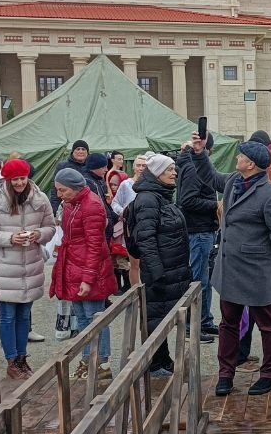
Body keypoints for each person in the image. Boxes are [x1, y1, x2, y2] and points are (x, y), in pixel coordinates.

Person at [190, 135, 271, 396]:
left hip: (257, 270)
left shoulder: (270, 195)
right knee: (228, 324)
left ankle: (269, 374)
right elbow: (211, 178)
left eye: (241, 156)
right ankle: (226, 374)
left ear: (251, 165)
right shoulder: (236, 181)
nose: (237, 158)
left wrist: (264, 254)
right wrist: (200, 154)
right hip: (230, 268)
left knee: (267, 325)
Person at [0, 159, 55, 377]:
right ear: (8, 180)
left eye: (23, 178)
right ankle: (11, 360)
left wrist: (39, 235)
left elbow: (50, 226)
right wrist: (10, 238)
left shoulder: (40, 199)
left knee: (24, 316)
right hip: (4, 268)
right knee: (8, 317)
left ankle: (22, 357)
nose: (20, 182)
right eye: (15, 179)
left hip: (30, 266)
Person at [127, 153, 192, 376]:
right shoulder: (148, 199)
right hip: (161, 273)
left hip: (171, 269)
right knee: (156, 317)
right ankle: (155, 364)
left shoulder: (161, 196)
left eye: (174, 169)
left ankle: (163, 359)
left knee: (162, 317)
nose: (174, 173)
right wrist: (157, 272)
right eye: (169, 170)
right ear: (156, 174)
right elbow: (146, 238)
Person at [51, 168, 119, 377]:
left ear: (74, 187)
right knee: (81, 318)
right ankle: (88, 359)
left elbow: (95, 246)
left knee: (95, 317)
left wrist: (88, 279)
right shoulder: (72, 204)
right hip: (74, 266)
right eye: (58, 190)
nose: (59, 195)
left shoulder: (91, 205)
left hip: (90, 269)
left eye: (63, 190)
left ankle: (101, 362)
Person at [175, 138, 220, 339]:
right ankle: (192, 326)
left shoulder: (189, 165)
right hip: (198, 230)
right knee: (198, 279)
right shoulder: (193, 169)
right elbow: (188, 201)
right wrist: (215, 205)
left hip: (202, 228)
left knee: (204, 278)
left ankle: (204, 320)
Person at [50, 140, 91, 211]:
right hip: (68, 206)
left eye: (83, 149)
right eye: (78, 149)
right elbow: (55, 189)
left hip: (87, 205)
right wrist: (55, 209)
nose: (80, 152)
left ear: (87, 152)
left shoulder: (91, 167)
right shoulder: (63, 166)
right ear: (73, 152)